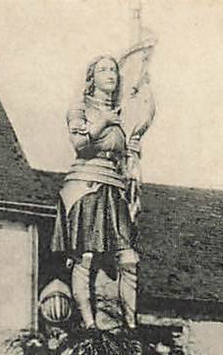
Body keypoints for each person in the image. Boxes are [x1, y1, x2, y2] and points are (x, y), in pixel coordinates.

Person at [51, 54, 147, 331]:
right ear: (91, 78)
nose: (111, 75)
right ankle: (90, 324)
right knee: (86, 256)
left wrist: (133, 150)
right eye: (104, 70)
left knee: (128, 259)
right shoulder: (80, 107)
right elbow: (80, 144)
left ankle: (130, 325)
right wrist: (103, 121)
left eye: (114, 70)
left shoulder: (120, 115)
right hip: (85, 184)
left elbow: (122, 154)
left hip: (113, 187)